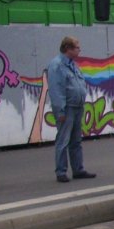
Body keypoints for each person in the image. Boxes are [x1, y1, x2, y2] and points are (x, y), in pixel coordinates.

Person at [46, 36, 96, 183]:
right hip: (66, 108)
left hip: (76, 107)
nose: (79, 49)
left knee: (76, 141)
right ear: (68, 49)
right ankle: (61, 172)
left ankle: (78, 170)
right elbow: (56, 90)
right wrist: (60, 110)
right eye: (76, 47)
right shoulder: (57, 66)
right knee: (63, 140)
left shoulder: (72, 65)